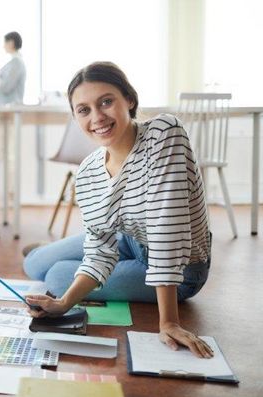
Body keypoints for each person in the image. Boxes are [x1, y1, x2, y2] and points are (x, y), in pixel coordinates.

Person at [23, 62, 214, 359]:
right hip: (130, 239)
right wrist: (61, 306)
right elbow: (100, 251)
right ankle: (54, 250)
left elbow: (167, 231)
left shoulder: (164, 134)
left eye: (106, 102)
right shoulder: (88, 171)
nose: (97, 117)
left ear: (130, 100)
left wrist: (169, 322)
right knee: (35, 265)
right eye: (83, 110)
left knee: (59, 277)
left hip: (181, 266)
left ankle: (63, 253)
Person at [0, 31, 26, 105]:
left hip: (10, 110)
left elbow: (6, 87)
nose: (3, 46)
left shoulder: (17, 63)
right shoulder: (12, 63)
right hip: (4, 109)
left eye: (5, 43)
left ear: (11, 43)